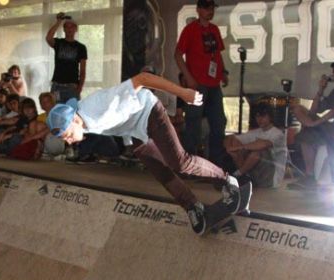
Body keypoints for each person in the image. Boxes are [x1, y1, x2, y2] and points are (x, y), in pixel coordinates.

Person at [46, 72, 244, 235]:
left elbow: (142, 78)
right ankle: (193, 207)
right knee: (159, 170)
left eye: (68, 135)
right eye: (65, 139)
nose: (69, 140)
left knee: (180, 162)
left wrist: (183, 93)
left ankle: (227, 181)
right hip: (134, 131)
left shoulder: (99, 106)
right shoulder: (78, 119)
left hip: (149, 112)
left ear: (74, 121)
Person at [174, 0, 229, 166]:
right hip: (197, 84)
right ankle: (189, 164)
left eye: (212, 8)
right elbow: (177, 55)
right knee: (193, 123)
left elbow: (217, 54)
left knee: (218, 122)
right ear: (198, 10)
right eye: (206, 8)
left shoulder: (214, 29)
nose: (210, 11)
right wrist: (188, 77)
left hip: (213, 84)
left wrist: (223, 72)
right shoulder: (190, 29)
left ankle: (215, 163)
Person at [289, 58, 334, 188]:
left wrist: (316, 123)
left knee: (310, 127)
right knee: (299, 110)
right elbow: (313, 111)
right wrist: (320, 89)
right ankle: (310, 175)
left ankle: (310, 129)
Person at [224, 103, 287, 188]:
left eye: (263, 116)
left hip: (271, 177)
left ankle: (238, 174)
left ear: (270, 117)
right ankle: (244, 177)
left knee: (258, 151)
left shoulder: (278, 134)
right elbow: (231, 138)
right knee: (237, 147)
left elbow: (263, 144)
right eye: (257, 116)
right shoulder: (256, 132)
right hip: (257, 174)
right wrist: (231, 149)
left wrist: (240, 147)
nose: (260, 119)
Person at [45, 13, 87, 103]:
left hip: (72, 87)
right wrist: (58, 22)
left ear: (76, 29)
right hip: (57, 86)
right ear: (64, 29)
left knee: (73, 114)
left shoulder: (81, 47)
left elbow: (83, 71)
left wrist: (79, 88)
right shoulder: (59, 43)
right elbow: (48, 38)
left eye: (71, 27)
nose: (69, 29)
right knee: (56, 112)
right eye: (67, 27)